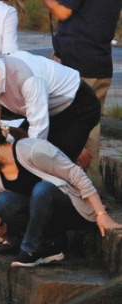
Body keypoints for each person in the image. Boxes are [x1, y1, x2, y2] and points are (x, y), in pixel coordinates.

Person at [0, 118, 122, 287]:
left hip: (72, 210)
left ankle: (30, 250)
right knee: (2, 202)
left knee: (43, 190)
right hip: (46, 217)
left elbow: (76, 175)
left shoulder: (33, 150)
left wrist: (101, 213)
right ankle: (49, 244)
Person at [0, 48, 100, 170]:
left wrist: (26, 164)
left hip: (77, 105)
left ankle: (76, 201)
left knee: (57, 162)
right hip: (45, 109)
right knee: (19, 143)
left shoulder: (25, 77)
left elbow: (38, 132)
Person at [42, 0, 122, 193]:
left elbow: (62, 11)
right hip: (100, 61)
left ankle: (80, 193)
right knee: (92, 129)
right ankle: (91, 190)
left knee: (70, 127)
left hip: (77, 62)